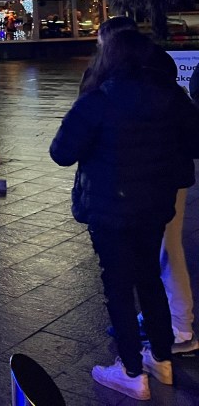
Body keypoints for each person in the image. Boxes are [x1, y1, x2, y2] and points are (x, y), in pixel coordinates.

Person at [50, 29, 199, 399]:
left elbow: (61, 152)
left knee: (117, 286)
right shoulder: (170, 97)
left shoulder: (98, 100)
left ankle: (132, 370)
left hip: (109, 209)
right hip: (153, 206)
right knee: (149, 278)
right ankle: (161, 359)